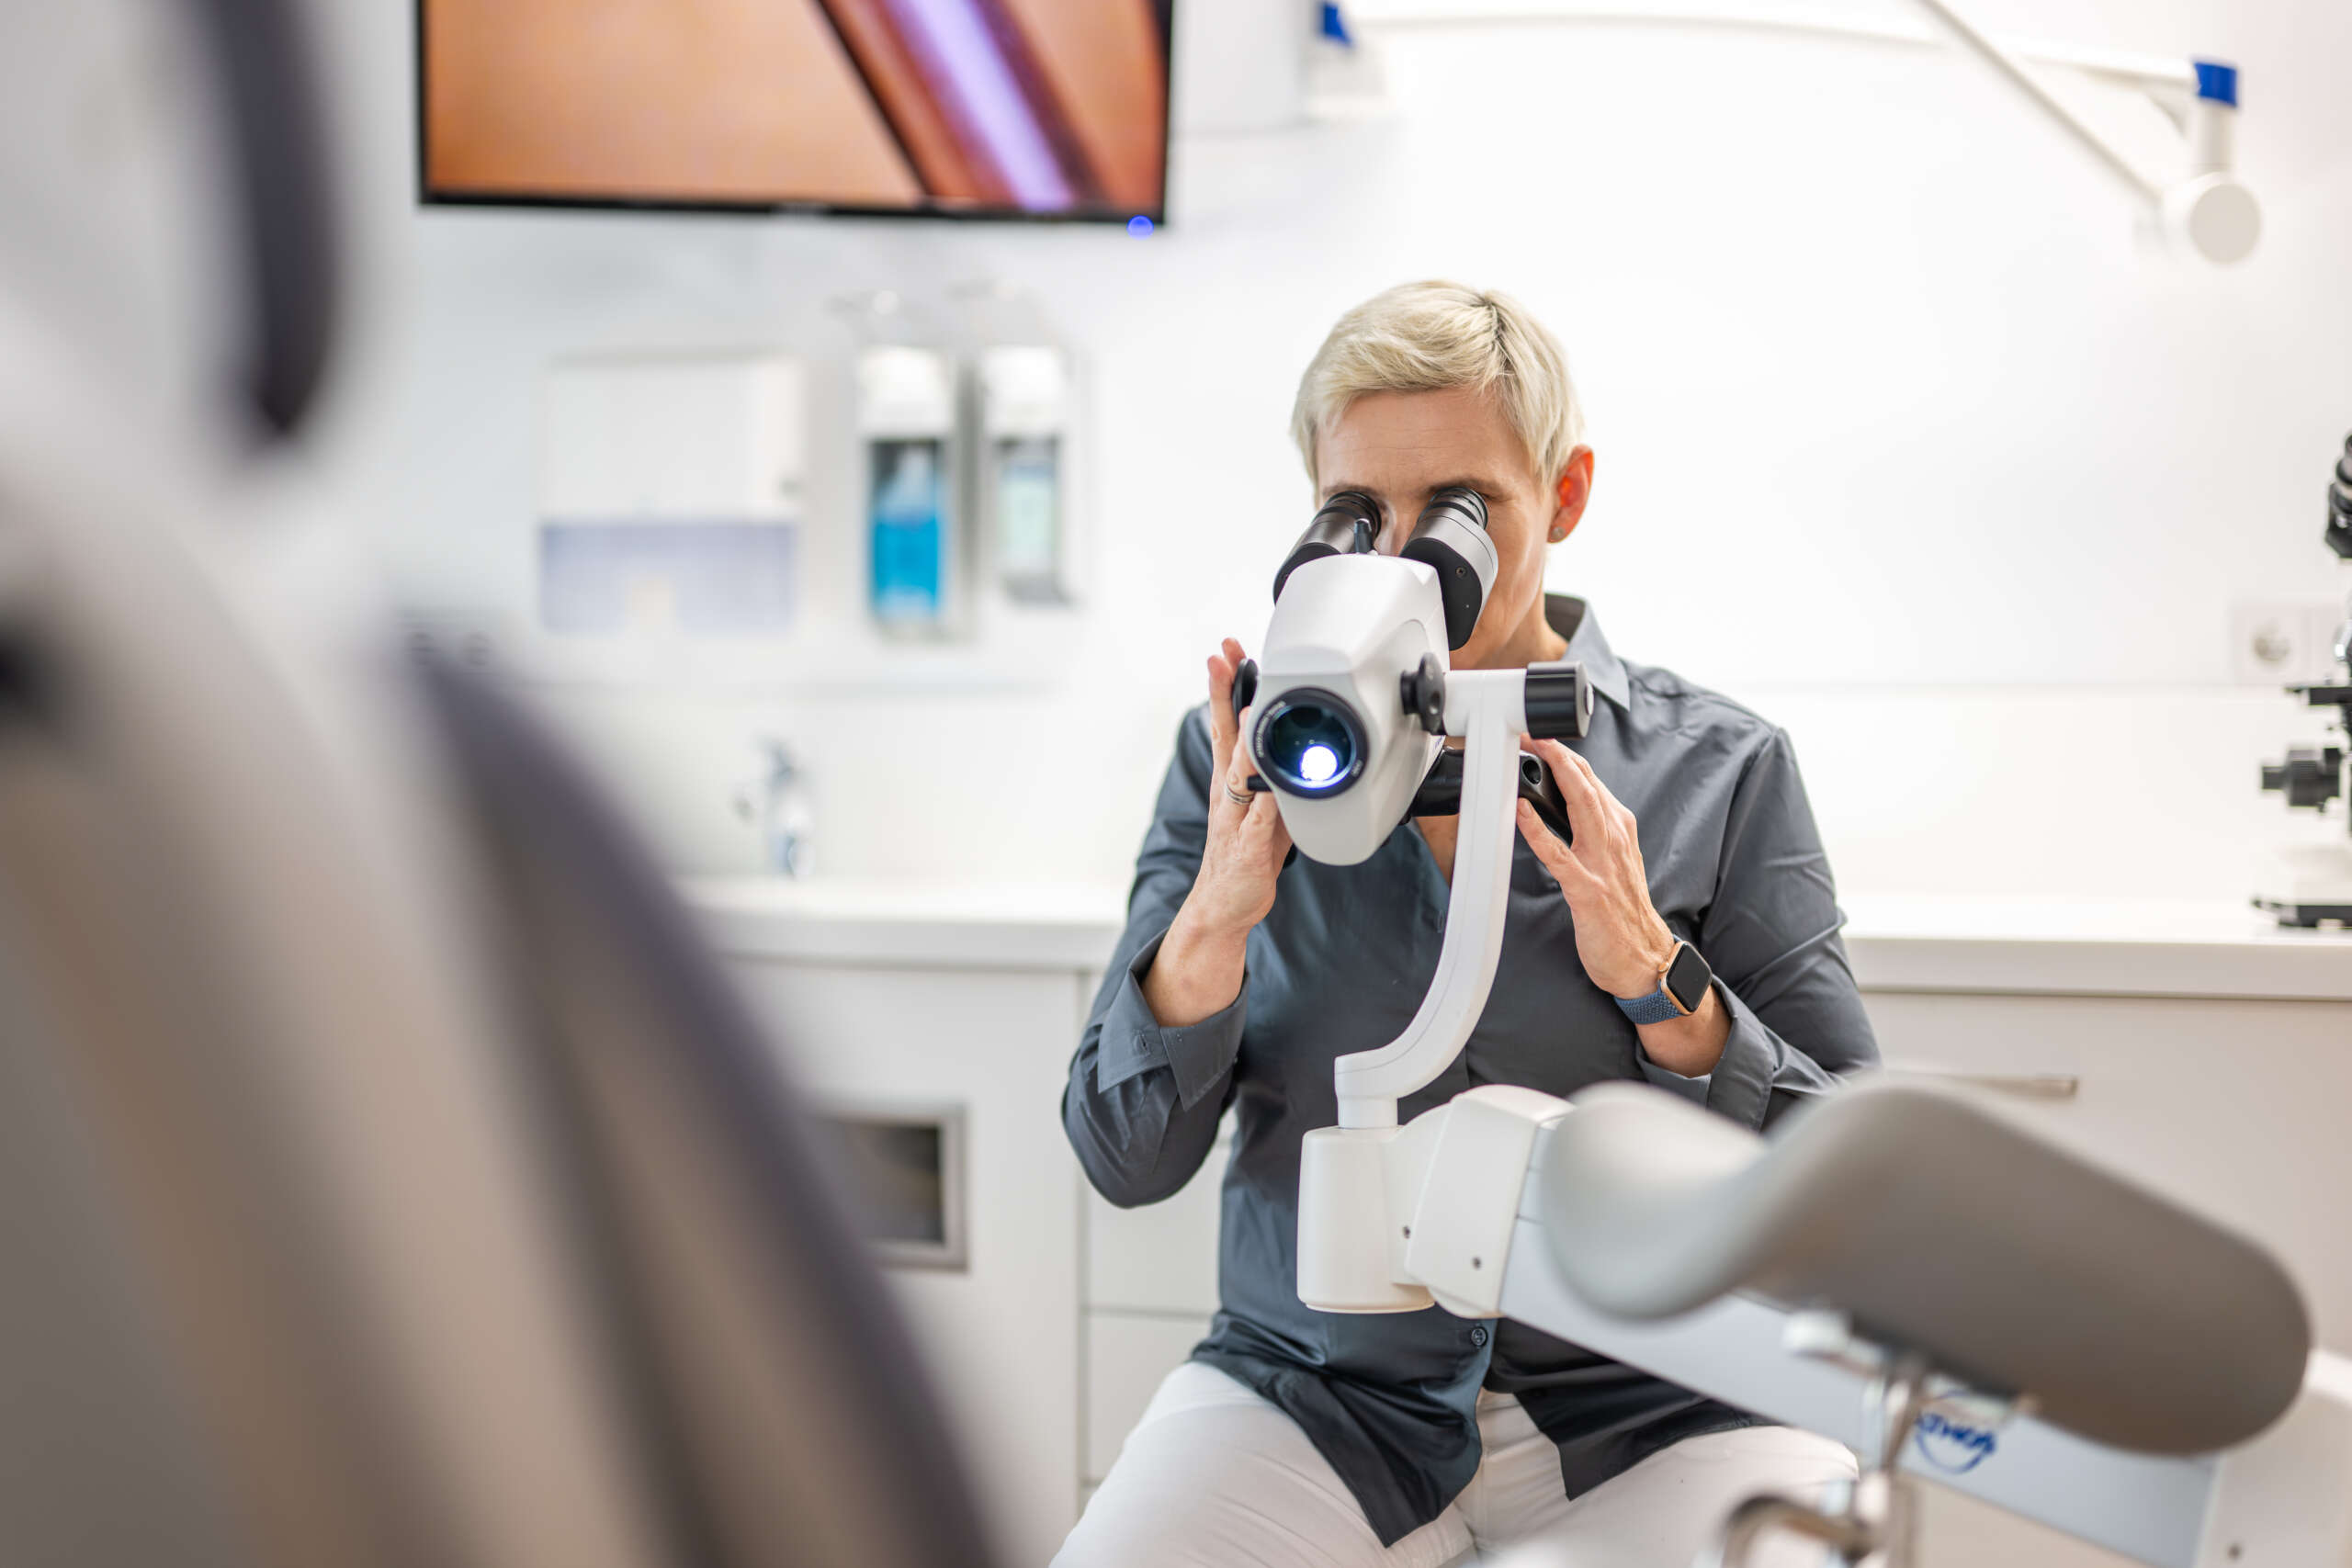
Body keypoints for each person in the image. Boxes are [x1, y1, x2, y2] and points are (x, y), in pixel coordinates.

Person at [1057, 281, 1880, 1568]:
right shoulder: (1244, 760)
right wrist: (1215, 921)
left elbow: (1846, 1184)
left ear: (1566, 494)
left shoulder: (1720, 771)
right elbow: (1125, 1159)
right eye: (1358, 517)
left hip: (1662, 1405)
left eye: (1461, 512)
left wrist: (1664, 986)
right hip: (1315, 1398)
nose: (1402, 567)